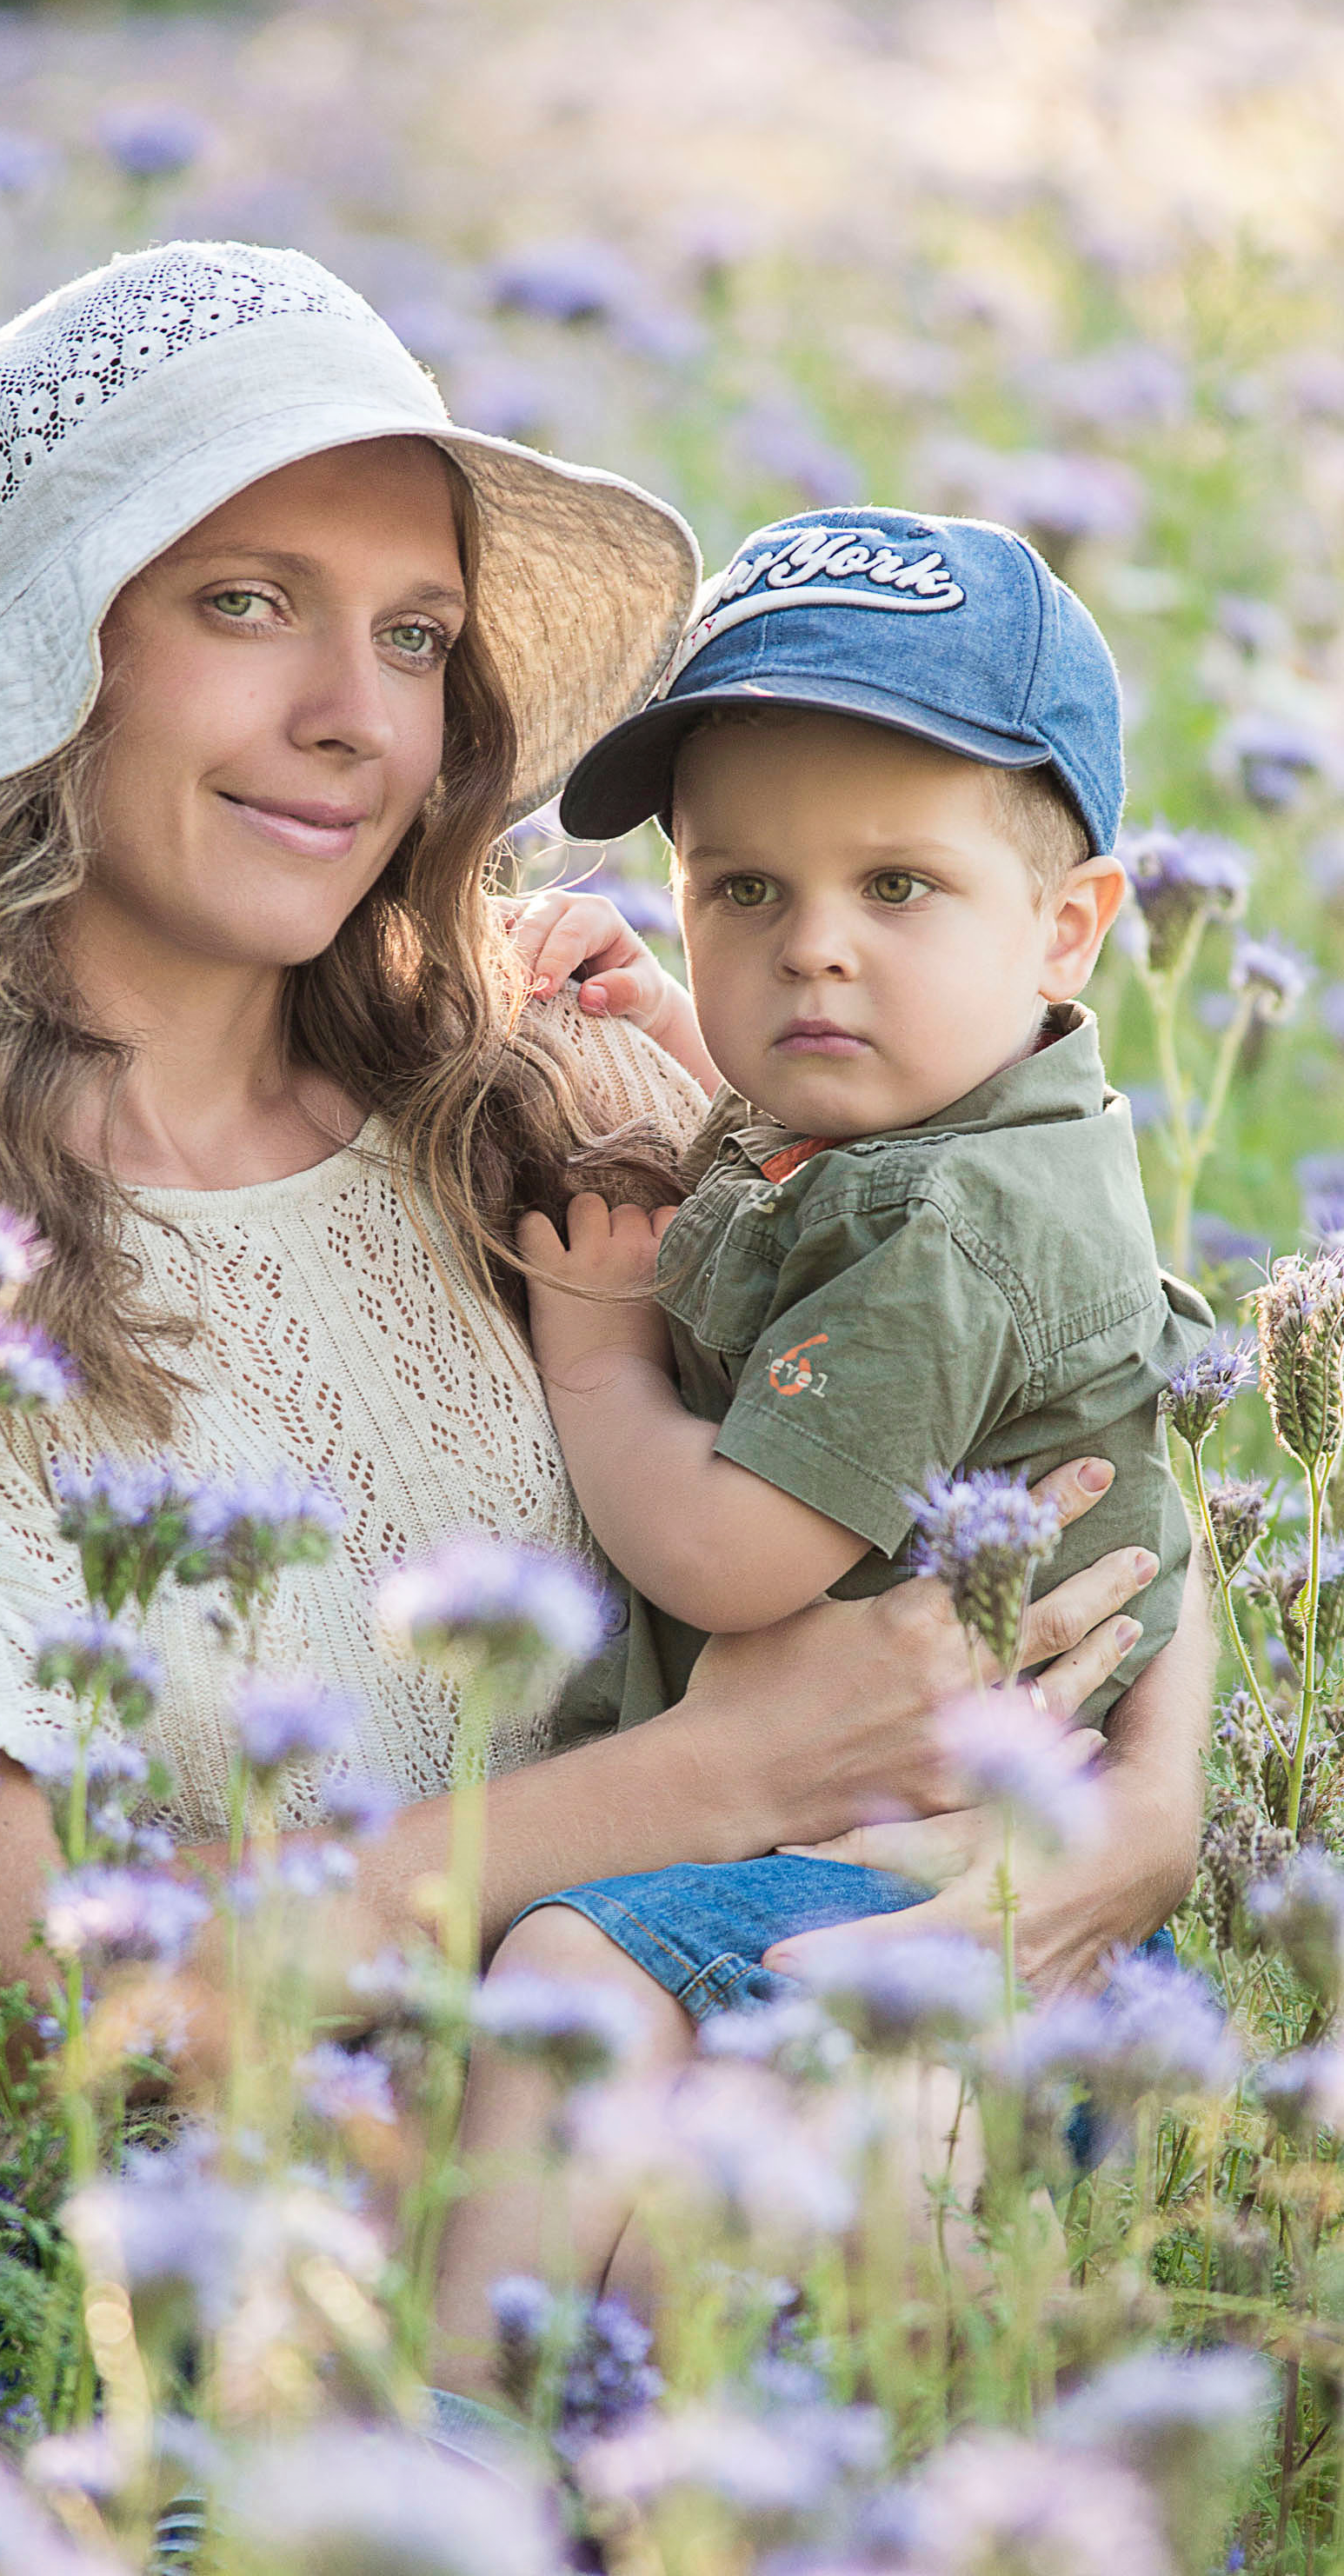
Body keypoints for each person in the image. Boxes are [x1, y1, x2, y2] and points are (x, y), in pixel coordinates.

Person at [0, 252, 1204, 2148]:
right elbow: (48, 2022)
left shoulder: (536, 1090)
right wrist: (709, 1777)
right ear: (48, 658)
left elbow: (1049, 1353)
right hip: (273, 2294)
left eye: (414, 636)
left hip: (799, 2139)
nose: (356, 719)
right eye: (248, 605)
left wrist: (1157, 1800)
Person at [430, 509, 1213, 2382]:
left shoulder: (955, 1238)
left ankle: (433, 2436)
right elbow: (832, 1231)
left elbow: (728, 1560)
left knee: (563, 1982)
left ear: (1068, 928)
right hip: (940, 1864)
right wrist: (698, 1084)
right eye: (743, 893)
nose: (811, 960)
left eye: (896, 889)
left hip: (911, 1875)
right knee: (682, 2273)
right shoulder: (986, 1133)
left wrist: (602, 1340)